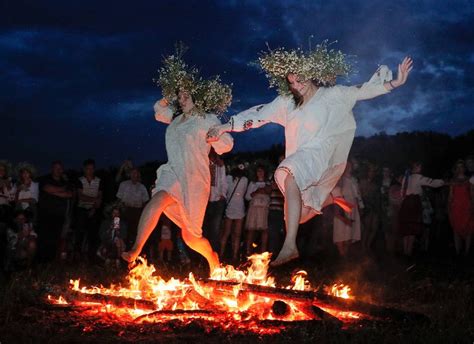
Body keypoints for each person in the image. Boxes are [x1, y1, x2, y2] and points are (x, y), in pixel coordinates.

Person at [207, 41, 413, 265]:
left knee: (287, 173)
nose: (296, 85)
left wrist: (395, 83)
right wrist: (225, 126)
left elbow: (361, 91)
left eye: (299, 79)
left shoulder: (331, 95)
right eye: (291, 82)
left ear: (311, 73)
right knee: (298, 216)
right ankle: (330, 199)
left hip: (321, 156)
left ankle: (289, 246)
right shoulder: (287, 104)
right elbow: (258, 115)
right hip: (303, 160)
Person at [122, 46, 234, 272]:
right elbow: (157, 109)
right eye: (179, 96)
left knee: (191, 237)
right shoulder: (174, 119)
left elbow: (227, 144)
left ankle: (212, 259)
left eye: (186, 96)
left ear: (197, 97)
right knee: (157, 199)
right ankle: (135, 249)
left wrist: (215, 136)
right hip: (173, 172)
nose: (182, 100)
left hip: (194, 179)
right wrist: (172, 91)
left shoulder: (206, 118)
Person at [398, 162, 444, 256]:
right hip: (413, 204)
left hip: (406, 204)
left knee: (406, 229)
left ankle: (405, 252)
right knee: (412, 229)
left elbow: (402, 192)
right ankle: (408, 253)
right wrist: (444, 181)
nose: (421, 168)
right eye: (419, 166)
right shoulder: (418, 177)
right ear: (415, 167)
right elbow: (433, 183)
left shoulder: (406, 178)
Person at [38, 161, 74, 262]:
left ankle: (52, 263)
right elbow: (47, 188)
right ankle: (40, 263)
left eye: (60, 168)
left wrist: (55, 192)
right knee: (43, 240)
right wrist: (61, 190)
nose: (58, 170)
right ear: (52, 169)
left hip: (59, 216)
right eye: (56, 168)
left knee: (56, 241)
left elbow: (70, 194)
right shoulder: (45, 178)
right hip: (45, 216)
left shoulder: (66, 181)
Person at [332, 162, 363, 257]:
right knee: (340, 231)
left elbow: (357, 194)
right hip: (342, 205)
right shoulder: (339, 179)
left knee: (350, 232)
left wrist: (361, 206)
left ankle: (345, 254)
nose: (349, 168)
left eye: (350, 166)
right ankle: (341, 254)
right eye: (347, 166)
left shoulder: (353, 179)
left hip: (352, 207)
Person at [75, 159, 103, 260]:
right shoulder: (80, 180)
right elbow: (81, 196)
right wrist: (94, 199)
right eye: (88, 169)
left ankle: (91, 256)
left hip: (94, 209)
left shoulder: (99, 181)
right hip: (81, 209)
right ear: (84, 169)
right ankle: (77, 255)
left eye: (92, 169)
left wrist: (94, 208)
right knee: (80, 233)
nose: (90, 171)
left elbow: (100, 197)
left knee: (93, 234)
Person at [219, 165, 248, 263]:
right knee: (237, 235)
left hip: (230, 206)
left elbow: (226, 191)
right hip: (240, 207)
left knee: (226, 233)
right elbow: (243, 193)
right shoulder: (244, 180)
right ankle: (235, 256)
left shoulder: (228, 178)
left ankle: (221, 255)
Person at [116, 168, 149, 248]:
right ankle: (122, 251)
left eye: (136, 173)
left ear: (138, 175)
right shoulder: (123, 184)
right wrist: (119, 210)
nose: (135, 175)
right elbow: (119, 199)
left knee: (135, 232)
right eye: (133, 173)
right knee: (123, 232)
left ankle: (134, 251)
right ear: (130, 174)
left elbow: (145, 201)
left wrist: (144, 214)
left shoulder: (142, 187)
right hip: (125, 210)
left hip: (137, 211)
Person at [203, 148, 228, 252]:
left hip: (218, 201)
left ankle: (215, 255)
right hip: (204, 201)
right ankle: (203, 256)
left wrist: (223, 194)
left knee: (215, 230)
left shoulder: (220, 166)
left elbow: (223, 181)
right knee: (204, 229)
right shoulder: (202, 164)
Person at [448, 160, 473, 256]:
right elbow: (450, 196)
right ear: (456, 169)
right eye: (458, 167)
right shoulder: (452, 180)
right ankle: (457, 252)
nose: (460, 169)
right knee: (456, 228)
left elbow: (472, 193)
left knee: (469, 228)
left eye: (461, 166)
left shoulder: (469, 180)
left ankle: (467, 252)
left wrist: (472, 205)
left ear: (464, 168)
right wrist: (449, 206)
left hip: (466, 206)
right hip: (456, 207)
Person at [244, 165, 271, 256]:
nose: (260, 173)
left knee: (264, 231)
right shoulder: (252, 183)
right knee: (251, 230)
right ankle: (248, 252)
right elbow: (247, 197)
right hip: (254, 210)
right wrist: (256, 192)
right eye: (258, 171)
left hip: (264, 210)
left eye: (262, 171)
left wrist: (265, 191)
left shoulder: (268, 183)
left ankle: (263, 253)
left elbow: (270, 196)